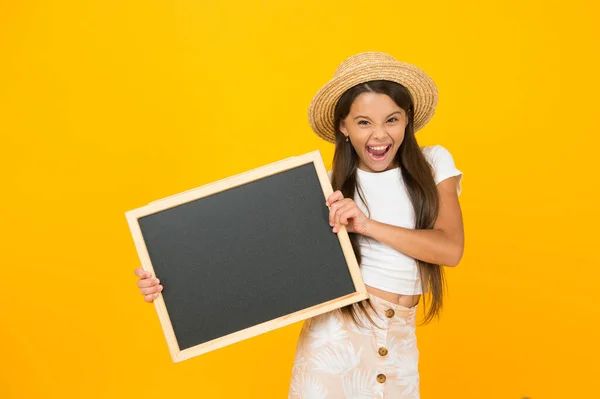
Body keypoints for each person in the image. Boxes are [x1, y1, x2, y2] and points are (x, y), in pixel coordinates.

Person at [134, 51, 464, 399]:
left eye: (392, 120)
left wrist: (366, 225)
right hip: (334, 342)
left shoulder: (433, 163)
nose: (379, 135)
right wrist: (170, 287)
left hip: (400, 342)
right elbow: (250, 260)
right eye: (364, 122)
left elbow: (450, 249)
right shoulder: (325, 189)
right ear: (344, 126)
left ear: (407, 119)